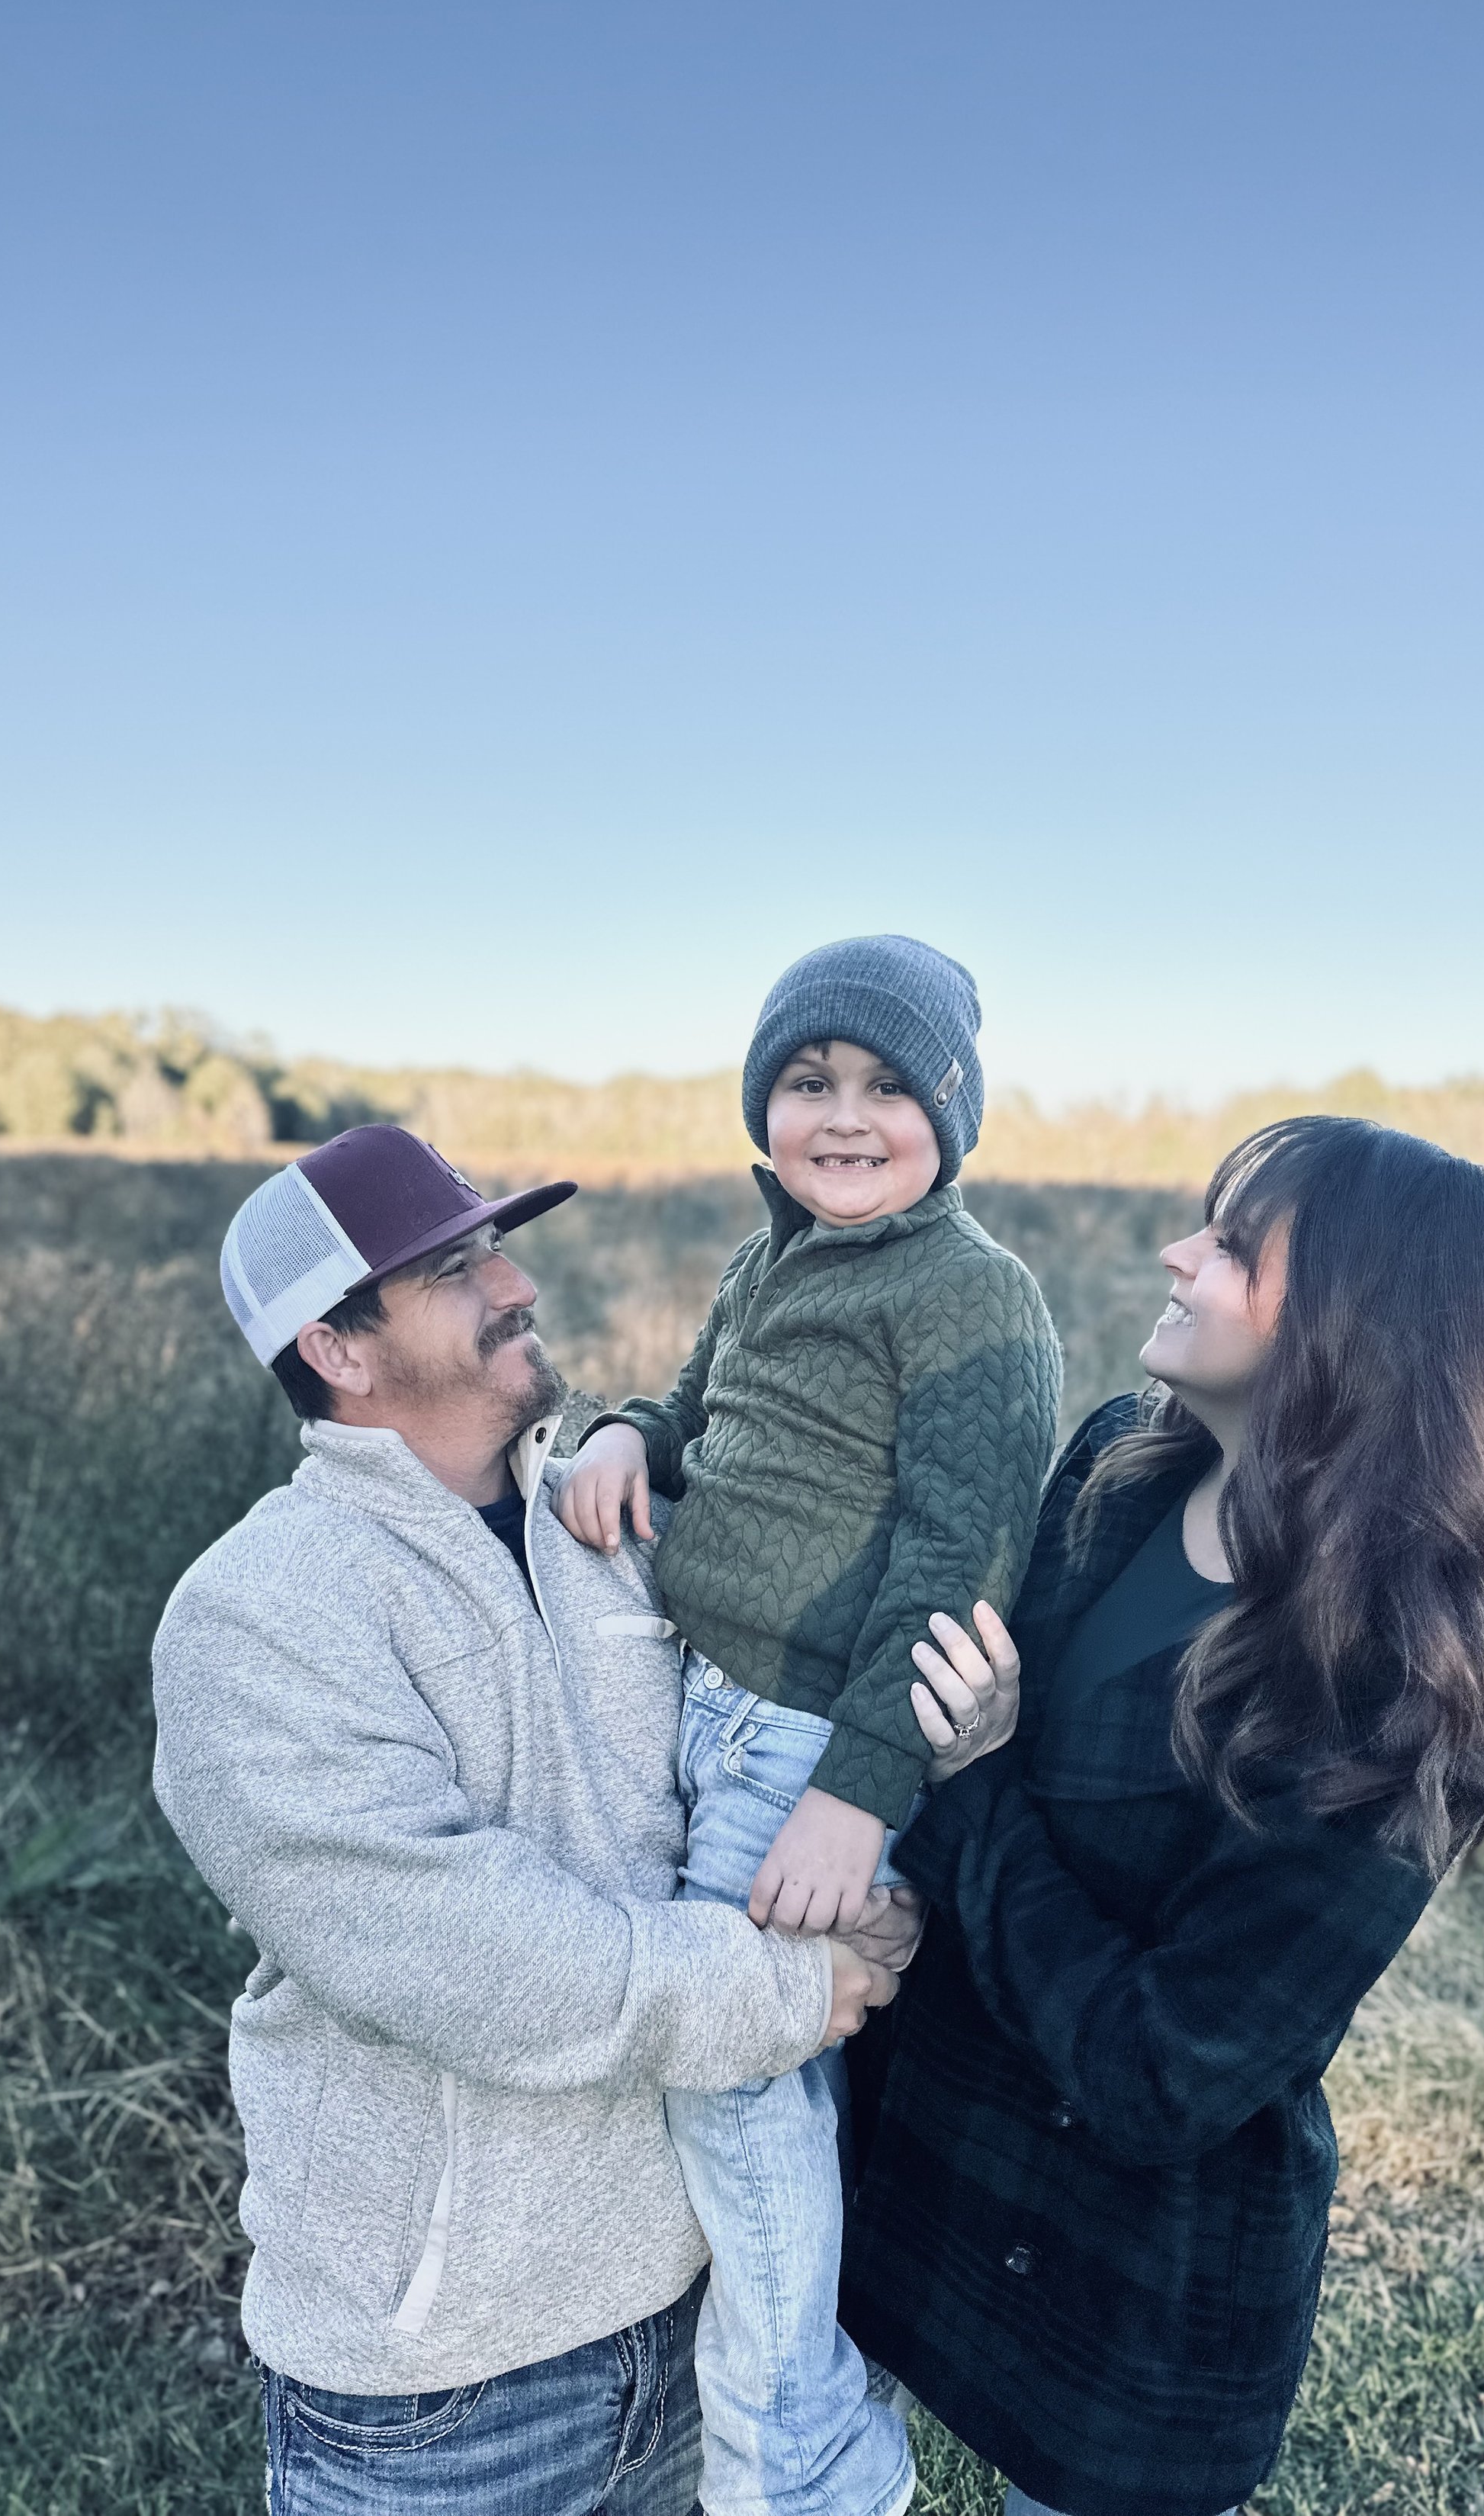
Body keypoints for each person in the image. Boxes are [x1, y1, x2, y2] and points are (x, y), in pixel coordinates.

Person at [151, 1123, 910, 2516]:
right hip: (447, 2390)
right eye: (455, 1267)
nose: (518, 1286)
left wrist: (922, 1753)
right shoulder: (256, 1614)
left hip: (700, 2313)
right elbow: (473, 1951)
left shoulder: (619, 1519)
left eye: (498, 1244)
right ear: (339, 1348)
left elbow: (779, 1728)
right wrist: (800, 1981)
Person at [840, 1115, 1484, 2516]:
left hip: (1123, 2295)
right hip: (920, 2163)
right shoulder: (1119, 1466)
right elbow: (967, 1731)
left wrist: (974, 1790)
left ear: (1361, 1320)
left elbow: (1159, 2075)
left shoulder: (1398, 1705)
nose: (1177, 1254)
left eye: (1232, 1245)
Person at [557, 935, 1065, 2516]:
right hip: (696, 1707)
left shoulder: (972, 1295)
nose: (841, 1116)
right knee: (736, 2060)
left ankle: (801, 2462)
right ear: (759, 1105)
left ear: (952, 1114)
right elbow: (700, 1408)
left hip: (807, 1738)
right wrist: (632, 1433)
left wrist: (856, 1790)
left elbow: (954, 1562)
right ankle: (762, 2413)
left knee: (732, 2073)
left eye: (884, 1087)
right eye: (804, 1080)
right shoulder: (763, 1262)